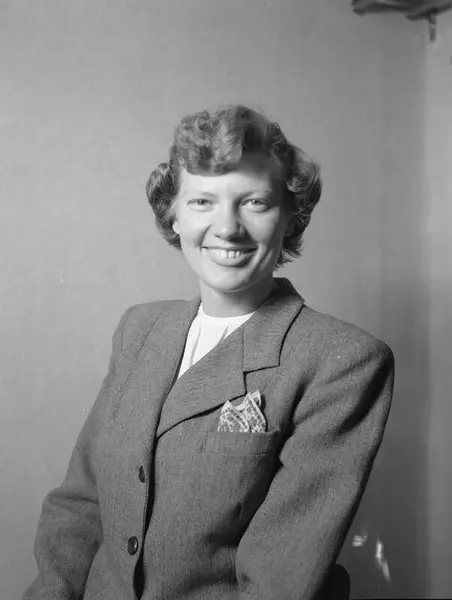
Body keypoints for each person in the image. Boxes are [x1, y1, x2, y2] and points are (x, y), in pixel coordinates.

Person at [23, 105, 394, 600]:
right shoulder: (138, 328)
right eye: (202, 201)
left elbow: (279, 581)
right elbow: (80, 504)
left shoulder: (344, 360)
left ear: (290, 217)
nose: (227, 227)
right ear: (173, 215)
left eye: (254, 202)